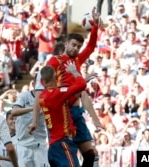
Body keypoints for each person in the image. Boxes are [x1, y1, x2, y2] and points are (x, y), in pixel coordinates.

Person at [29, 7, 103, 167]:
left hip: (77, 112)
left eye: (78, 46)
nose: (75, 49)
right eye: (73, 45)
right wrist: (35, 119)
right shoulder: (55, 61)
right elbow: (40, 93)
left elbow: (90, 47)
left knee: (90, 155)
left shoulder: (77, 60)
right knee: (66, 154)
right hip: (64, 112)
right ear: (67, 44)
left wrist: (96, 27)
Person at [39, 63, 87, 167]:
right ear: (54, 78)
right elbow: (81, 85)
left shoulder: (43, 96)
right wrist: (74, 71)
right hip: (62, 144)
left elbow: (66, 102)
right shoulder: (56, 94)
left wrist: (79, 88)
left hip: (54, 146)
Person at [11, 79, 49, 167]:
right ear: (33, 84)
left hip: (39, 144)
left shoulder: (47, 98)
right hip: (23, 144)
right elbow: (14, 111)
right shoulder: (24, 96)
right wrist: (34, 108)